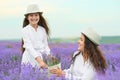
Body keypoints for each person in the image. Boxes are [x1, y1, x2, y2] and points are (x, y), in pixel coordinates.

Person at [21, 4, 52, 69]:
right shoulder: (25, 30)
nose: (34, 18)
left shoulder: (42, 29)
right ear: (27, 17)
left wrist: (49, 56)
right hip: (30, 57)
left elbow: (45, 45)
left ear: (39, 16)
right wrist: (40, 61)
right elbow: (29, 47)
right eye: (31, 15)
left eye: (36, 15)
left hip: (42, 57)